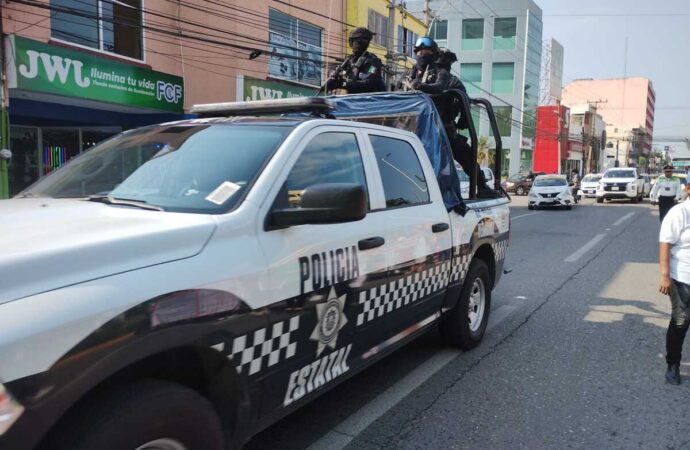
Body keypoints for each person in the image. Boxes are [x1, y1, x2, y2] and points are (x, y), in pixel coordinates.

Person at [659, 181, 690, 384]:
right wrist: (664, 275)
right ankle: (673, 364)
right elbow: (665, 242)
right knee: (681, 321)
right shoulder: (679, 212)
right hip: (683, 276)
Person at [325, 27, 385, 95]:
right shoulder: (349, 61)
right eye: (358, 40)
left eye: (364, 41)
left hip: (371, 101)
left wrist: (342, 84)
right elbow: (340, 78)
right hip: (351, 100)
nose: (361, 43)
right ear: (351, 42)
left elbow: (368, 83)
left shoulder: (373, 62)